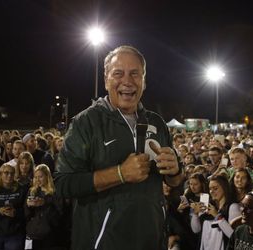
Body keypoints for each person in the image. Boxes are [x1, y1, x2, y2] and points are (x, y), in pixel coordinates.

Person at [55, 45, 181, 250]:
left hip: (152, 241)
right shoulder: (85, 122)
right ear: (106, 80)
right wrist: (120, 173)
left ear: (144, 80)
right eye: (118, 74)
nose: (127, 81)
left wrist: (175, 170)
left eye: (135, 74)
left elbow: (174, 182)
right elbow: (62, 183)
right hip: (102, 242)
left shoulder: (157, 123)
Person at [25, 164, 65, 249]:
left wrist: (45, 203)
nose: (37, 180)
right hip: (34, 233)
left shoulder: (55, 192)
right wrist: (29, 206)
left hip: (50, 233)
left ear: (47, 176)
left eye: (40, 177)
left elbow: (60, 212)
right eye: (35, 177)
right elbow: (27, 214)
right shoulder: (32, 191)